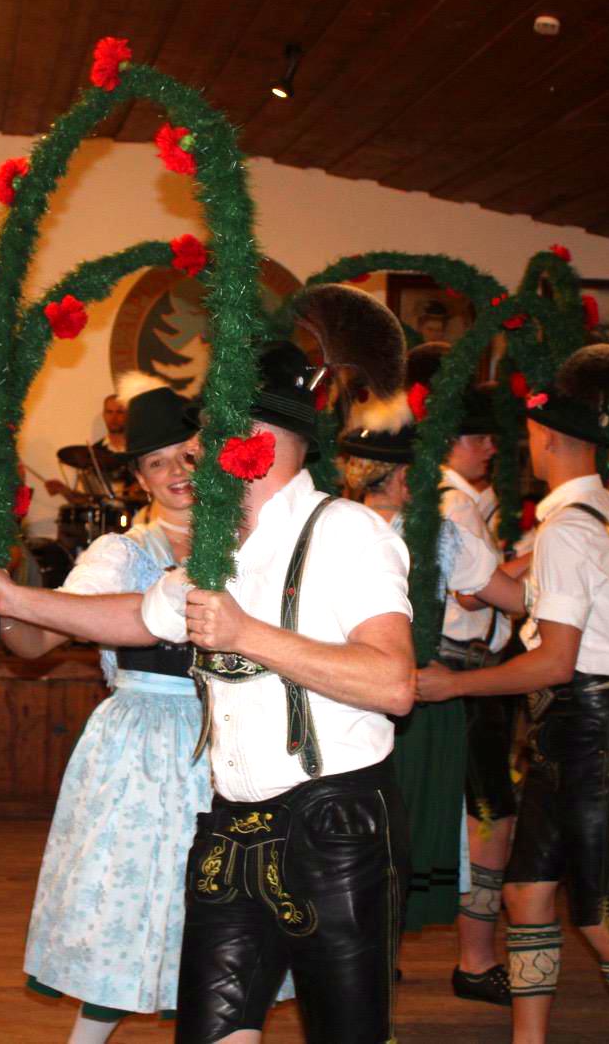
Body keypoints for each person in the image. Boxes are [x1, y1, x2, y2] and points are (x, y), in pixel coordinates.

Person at [141, 284, 416, 1044]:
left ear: (251, 439)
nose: (194, 453)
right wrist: (15, 599)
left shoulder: (349, 531)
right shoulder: (218, 546)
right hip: (232, 829)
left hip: (337, 830)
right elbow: (136, 616)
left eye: (208, 433)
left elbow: (394, 683)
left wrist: (247, 633)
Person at [416, 344, 609, 1043]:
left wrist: (453, 683)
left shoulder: (565, 530)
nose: (519, 445)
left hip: (590, 729)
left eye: (526, 433)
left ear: (548, 437)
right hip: (587, 726)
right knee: (527, 894)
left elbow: (556, 662)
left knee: (601, 915)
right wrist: (477, 572)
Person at [0, 372, 226, 1042]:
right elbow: (37, 642)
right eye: (157, 463)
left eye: (188, 456)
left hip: (235, 742)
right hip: (145, 746)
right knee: (124, 908)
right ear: (139, 478)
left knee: (223, 914)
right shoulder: (122, 554)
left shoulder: (252, 547)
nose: (177, 473)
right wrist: (2, 601)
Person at [336, 381, 524, 967]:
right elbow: (514, 599)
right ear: (402, 476)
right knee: (405, 834)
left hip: (343, 695)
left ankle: (366, 964)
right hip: (417, 700)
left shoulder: (328, 527)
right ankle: (378, 963)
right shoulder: (439, 536)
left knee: (358, 837)